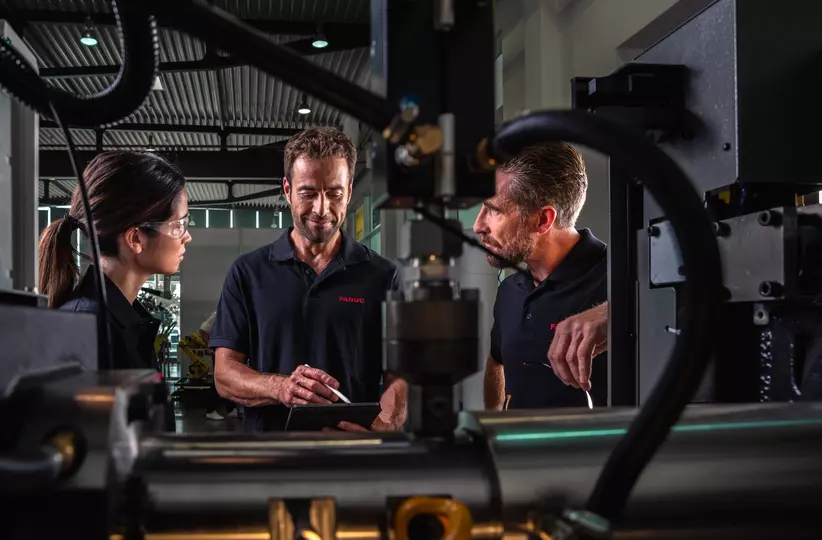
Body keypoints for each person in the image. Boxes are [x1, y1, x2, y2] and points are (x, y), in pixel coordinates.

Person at [210, 127, 407, 432]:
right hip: (270, 452)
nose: (321, 209)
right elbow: (224, 375)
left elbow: (401, 375)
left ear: (349, 192)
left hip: (350, 451)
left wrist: (384, 427)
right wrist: (281, 388)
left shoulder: (383, 276)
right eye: (308, 193)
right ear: (287, 189)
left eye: (334, 194)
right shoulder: (248, 272)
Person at [474, 142, 608, 410]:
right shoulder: (510, 289)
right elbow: (497, 361)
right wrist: (493, 424)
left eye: (494, 211)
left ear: (543, 220)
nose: (478, 226)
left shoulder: (622, 274)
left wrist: (614, 313)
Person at [38, 151, 192, 371]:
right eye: (179, 225)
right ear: (136, 239)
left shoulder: (120, 322)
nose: (187, 236)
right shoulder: (92, 331)